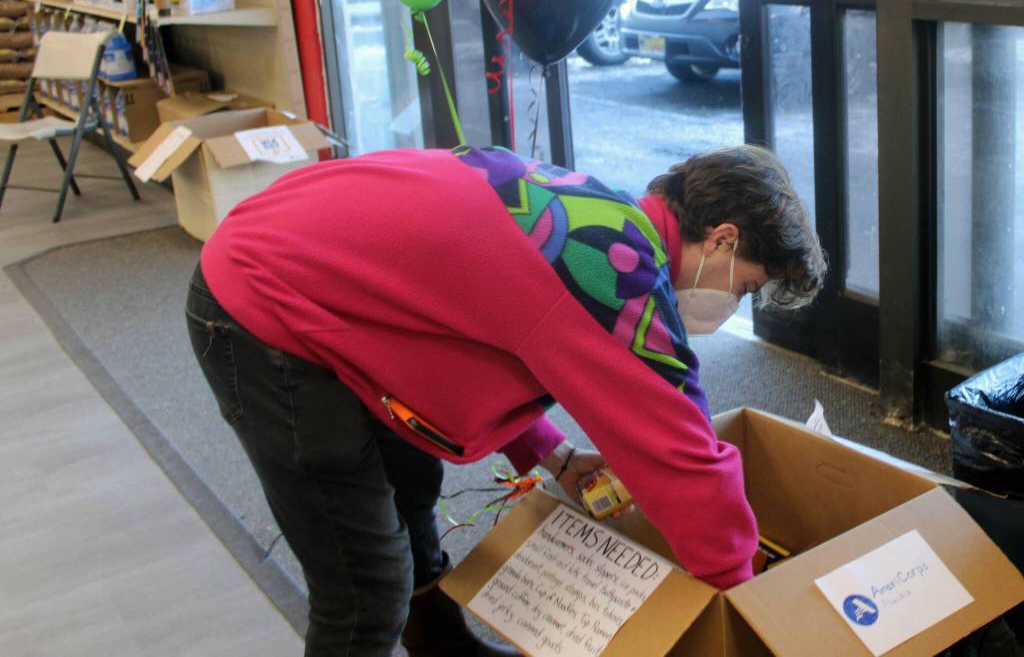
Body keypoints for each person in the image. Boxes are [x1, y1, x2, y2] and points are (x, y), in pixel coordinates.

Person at [186, 143, 825, 657]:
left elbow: (483, 337)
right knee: (364, 591)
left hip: (313, 275)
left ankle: (440, 644)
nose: (734, 303)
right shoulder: (617, 275)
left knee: (411, 484)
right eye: (746, 286)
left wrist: (554, 453)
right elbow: (681, 458)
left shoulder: (603, 218)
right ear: (721, 240)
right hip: (262, 307)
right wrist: (740, 607)